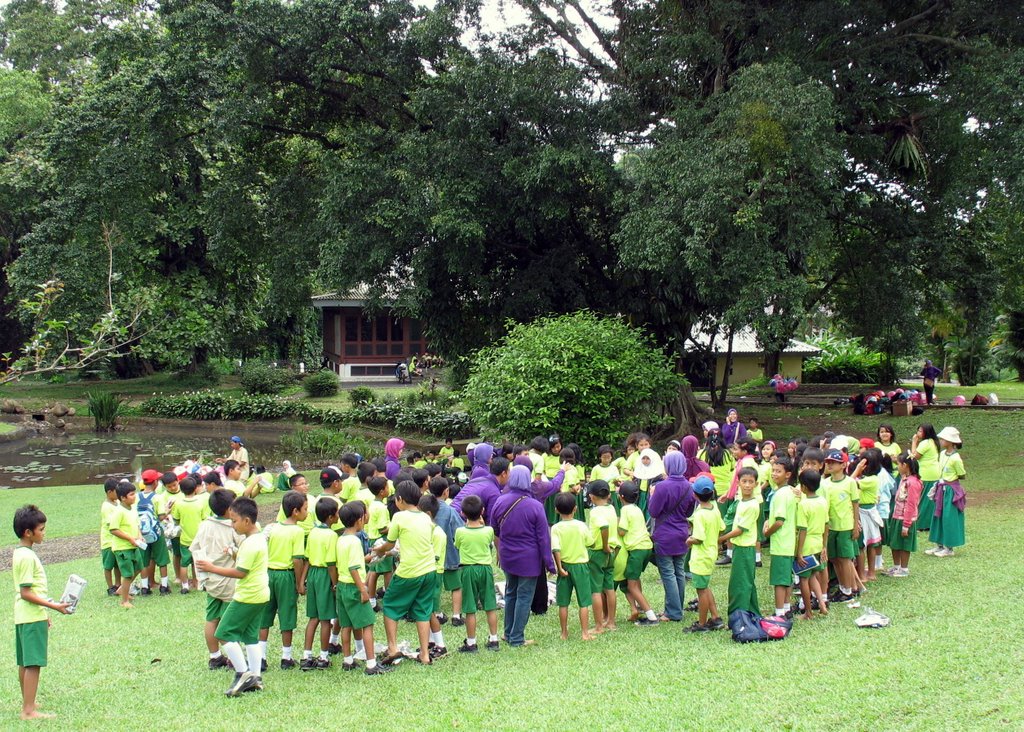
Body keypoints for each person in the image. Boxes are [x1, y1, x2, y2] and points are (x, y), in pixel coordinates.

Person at [197, 497, 269, 697]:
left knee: (222, 633)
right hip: (261, 593)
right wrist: (233, 553)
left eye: (234, 520)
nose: (231, 524)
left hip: (247, 595)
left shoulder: (250, 543)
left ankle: (242, 673)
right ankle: (255, 677)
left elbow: (240, 572)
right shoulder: (257, 538)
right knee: (250, 637)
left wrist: (212, 568)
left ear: (247, 521)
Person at [12, 505, 71, 720]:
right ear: (29, 532)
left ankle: (29, 701)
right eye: (42, 529)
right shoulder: (27, 557)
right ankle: (29, 710)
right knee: (33, 663)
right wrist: (53, 606)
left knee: (25, 661)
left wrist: (44, 612)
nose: (44, 533)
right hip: (30, 616)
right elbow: (26, 591)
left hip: (25, 615)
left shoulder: (20, 552)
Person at [490, 464, 554, 648]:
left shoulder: (500, 501)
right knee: (524, 596)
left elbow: (495, 528)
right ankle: (517, 637)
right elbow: (543, 539)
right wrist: (549, 564)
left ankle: (508, 633)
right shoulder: (535, 506)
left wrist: (500, 550)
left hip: (508, 555)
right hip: (529, 558)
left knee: (511, 593)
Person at [335, 502, 390, 675]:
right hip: (354, 586)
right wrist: (363, 590)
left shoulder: (342, 539)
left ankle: (347, 660)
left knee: (346, 625)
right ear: (359, 520)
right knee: (367, 624)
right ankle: (371, 664)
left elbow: (352, 562)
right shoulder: (354, 542)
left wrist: (374, 555)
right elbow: (353, 568)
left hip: (342, 586)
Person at [189, 488, 241, 670]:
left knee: (212, 619)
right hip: (229, 581)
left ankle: (214, 656)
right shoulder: (233, 528)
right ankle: (235, 659)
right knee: (229, 622)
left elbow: (194, 548)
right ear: (229, 510)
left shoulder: (205, 525)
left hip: (210, 580)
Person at [259, 491, 307, 671]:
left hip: (269, 574)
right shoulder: (297, 531)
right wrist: (299, 582)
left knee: (265, 616)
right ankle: (286, 657)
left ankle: (261, 657)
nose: (307, 512)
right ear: (295, 511)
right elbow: (297, 559)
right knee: (287, 615)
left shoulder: (273, 527)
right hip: (286, 575)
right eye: (305, 509)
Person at [647, 451, 696, 622]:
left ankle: (673, 612)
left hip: (664, 534)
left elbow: (653, 511)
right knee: (679, 571)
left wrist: (651, 496)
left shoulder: (662, 487)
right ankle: (675, 608)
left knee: (668, 572)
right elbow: (690, 511)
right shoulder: (689, 487)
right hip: (682, 532)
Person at [454, 495, 501, 652]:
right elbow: (489, 544)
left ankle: (471, 642)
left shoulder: (460, 531)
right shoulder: (488, 530)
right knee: (490, 605)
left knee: (469, 607)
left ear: (463, 513)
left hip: (468, 569)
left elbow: (457, 545)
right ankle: (494, 639)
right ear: (482, 511)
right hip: (485, 569)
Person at [301, 498, 340, 670]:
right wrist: (335, 583)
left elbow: (307, 559)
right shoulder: (332, 535)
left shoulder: (313, 532)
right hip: (325, 574)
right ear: (331, 517)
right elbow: (331, 563)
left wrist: (302, 581)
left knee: (313, 618)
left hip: (313, 574)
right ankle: (324, 656)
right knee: (325, 619)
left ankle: (306, 655)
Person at [550, 492, 594, 641]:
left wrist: (559, 567)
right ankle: (585, 633)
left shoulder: (555, 528)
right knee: (584, 602)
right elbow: (590, 542)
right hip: (581, 566)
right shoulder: (581, 525)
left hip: (565, 566)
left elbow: (556, 549)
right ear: (575, 508)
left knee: (563, 602)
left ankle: (564, 633)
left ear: (556, 509)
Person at [684, 477, 726, 632]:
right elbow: (722, 528)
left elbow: (698, 538)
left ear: (695, 495)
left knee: (701, 591)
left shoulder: (700, 513)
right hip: (711, 552)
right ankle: (715, 617)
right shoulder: (714, 509)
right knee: (705, 587)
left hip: (701, 556)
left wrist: (689, 540)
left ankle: (701, 624)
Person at [718, 467, 760, 615]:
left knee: (741, 583)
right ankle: (751, 612)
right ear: (738, 483)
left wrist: (721, 539)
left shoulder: (752, 505)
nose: (747, 485)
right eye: (744, 481)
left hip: (745, 548)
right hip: (739, 546)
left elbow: (740, 530)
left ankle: (739, 613)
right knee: (743, 580)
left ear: (756, 484)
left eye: (751, 482)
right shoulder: (741, 501)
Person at [617, 482, 659, 626]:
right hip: (647, 547)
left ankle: (651, 617)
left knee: (631, 585)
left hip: (636, 549)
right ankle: (640, 608)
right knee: (635, 580)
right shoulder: (637, 509)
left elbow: (622, 530)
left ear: (621, 497)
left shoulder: (625, 510)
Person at [822, 449, 862, 603]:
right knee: (835, 558)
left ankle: (848, 590)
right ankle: (843, 587)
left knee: (846, 559)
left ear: (843, 465)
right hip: (831, 526)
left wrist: (855, 525)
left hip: (845, 526)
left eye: (834, 462)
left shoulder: (850, 482)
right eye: (828, 462)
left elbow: (855, 504)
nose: (830, 465)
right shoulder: (825, 483)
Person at [763, 457, 798, 618]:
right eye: (773, 470)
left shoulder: (782, 494)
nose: (774, 474)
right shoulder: (786, 491)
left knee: (779, 580)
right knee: (785, 577)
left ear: (788, 474)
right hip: (788, 542)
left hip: (781, 542)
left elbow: (779, 521)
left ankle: (779, 613)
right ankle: (785, 608)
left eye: (778, 471)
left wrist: (767, 532)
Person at [428, 477, 464, 626]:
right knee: (456, 586)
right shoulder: (450, 511)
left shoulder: (426, 510)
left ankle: (437, 613)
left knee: (435, 587)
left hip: (432, 556)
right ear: (446, 492)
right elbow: (459, 530)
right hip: (450, 555)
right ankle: (456, 615)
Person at [585, 480, 620, 632]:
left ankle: (599, 625)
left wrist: (604, 545)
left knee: (596, 590)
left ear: (592, 497)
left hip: (599, 551)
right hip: (612, 551)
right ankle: (611, 622)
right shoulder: (611, 508)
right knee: (609, 587)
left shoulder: (595, 512)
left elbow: (604, 527)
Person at [794, 469, 829, 619]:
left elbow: (802, 529)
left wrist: (799, 552)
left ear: (803, 487)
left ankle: (808, 611)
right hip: (818, 542)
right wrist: (824, 546)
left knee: (803, 579)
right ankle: (822, 604)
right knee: (814, 575)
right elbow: (827, 525)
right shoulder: (822, 501)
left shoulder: (803, 504)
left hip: (807, 544)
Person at [928, 427, 967, 557]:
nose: (940, 441)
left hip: (950, 490)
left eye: (943, 439)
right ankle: (939, 545)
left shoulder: (956, 458)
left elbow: (962, 474)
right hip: (941, 487)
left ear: (950, 441)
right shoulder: (942, 454)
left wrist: (949, 481)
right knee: (938, 515)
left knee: (949, 517)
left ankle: (949, 548)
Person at [108, 481, 146, 608]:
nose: (134, 496)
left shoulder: (133, 509)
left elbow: (137, 524)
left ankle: (122, 589)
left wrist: (140, 536)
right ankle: (124, 601)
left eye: (134, 493)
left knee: (139, 567)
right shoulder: (118, 511)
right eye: (131, 494)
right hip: (123, 548)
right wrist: (129, 538)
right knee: (127, 574)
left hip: (134, 545)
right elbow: (113, 529)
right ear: (123, 498)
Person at [851, 449, 885, 581]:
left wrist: (857, 469)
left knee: (862, 545)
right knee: (871, 544)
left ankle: (864, 574)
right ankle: (870, 572)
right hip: (868, 511)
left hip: (864, 513)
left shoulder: (870, 480)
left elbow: (849, 482)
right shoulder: (871, 478)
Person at [172, 477, 211, 593]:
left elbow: (176, 519)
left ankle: (184, 586)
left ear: (181, 490)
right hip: (199, 539)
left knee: (184, 563)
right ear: (195, 488)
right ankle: (198, 583)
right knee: (198, 562)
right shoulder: (201, 502)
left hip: (185, 539)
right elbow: (205, 518)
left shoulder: (178, 503)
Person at [886, 455, 923, 576]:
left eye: (898, 464)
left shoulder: (913, 482)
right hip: (897, 516)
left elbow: (911, 504)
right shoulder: (904, 479)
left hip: (906, 518)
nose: (897, 467)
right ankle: (896, 566)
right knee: (895, 542)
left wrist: (906, 524)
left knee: (904, 544)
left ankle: (904, 568)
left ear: (905, 465)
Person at [365, 476, 394, 609]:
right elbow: (382, 529)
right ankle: (389, 599)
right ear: (382, 491)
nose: (389, 489)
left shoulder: (373, 504)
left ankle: (371, 599)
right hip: (380, 540)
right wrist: (394, 527)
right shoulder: (381, 508)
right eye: (387, 487)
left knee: (374, 571)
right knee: (387, 571)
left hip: (372, 539)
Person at [911, 424, 942, 532]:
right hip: (935, 473)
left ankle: (921, 524)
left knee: (923, 500)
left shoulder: (925, 443)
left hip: (926, 474)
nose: (918, 433)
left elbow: (914, 456)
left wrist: (914, 442)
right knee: (930, 500)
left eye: (920, 431)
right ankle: (930, 523)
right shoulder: (934, 442)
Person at [100, 478, 123, 596]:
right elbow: (111, 524)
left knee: (118, 564)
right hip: (108, 541)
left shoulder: (117, 503)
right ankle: (110, 587)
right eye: (116, 491)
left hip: (117, 541)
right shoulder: (106, 507)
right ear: (109, 492)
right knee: (108, 565)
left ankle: (118, 584)